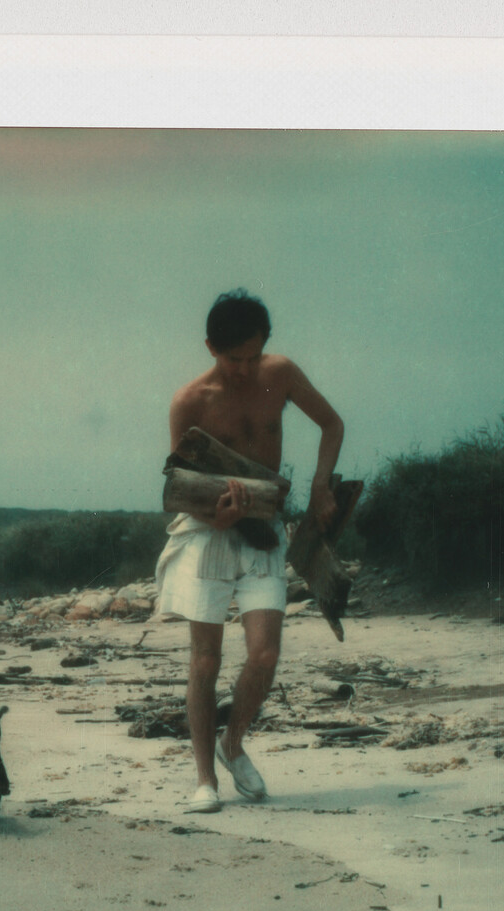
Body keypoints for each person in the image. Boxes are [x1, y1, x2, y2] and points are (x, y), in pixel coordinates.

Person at [156, 289, 345, 812]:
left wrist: (322, 484)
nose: (244, 369)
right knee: (205, 660)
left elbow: (332, 424)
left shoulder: (280, 373)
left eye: (252, 356)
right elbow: (180, 486)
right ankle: (204, 781)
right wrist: (213, 515)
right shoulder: (189, 401)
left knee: (265, 653)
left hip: (265, 526)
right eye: (232, 358)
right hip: (207, 532)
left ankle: (232, 742)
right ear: (211, 347)